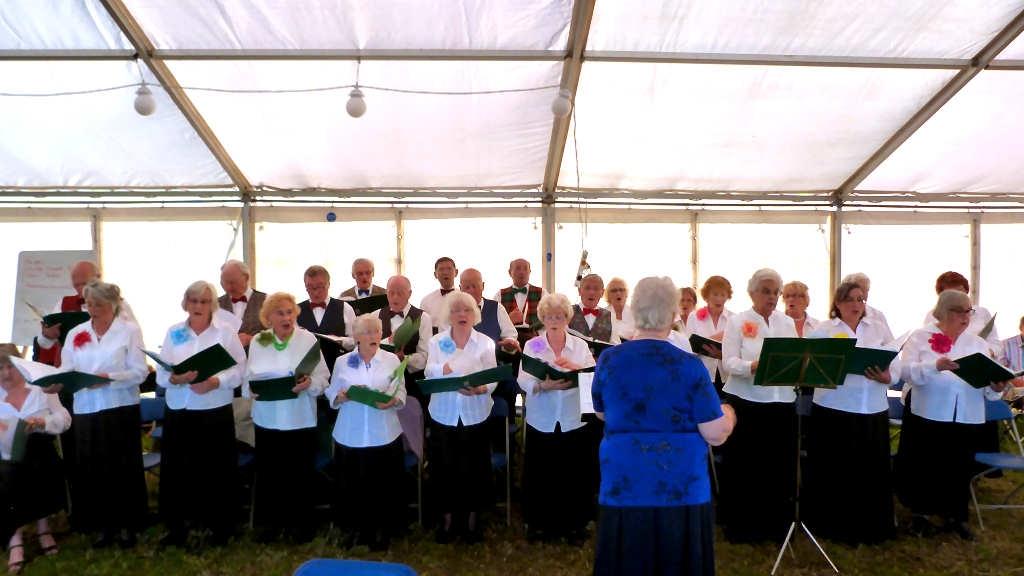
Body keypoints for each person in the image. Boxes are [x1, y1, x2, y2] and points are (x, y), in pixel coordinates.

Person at [591, 276, 735, 576]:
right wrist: (729, 412)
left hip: (624, 484)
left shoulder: (609, 361)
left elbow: (602, 414)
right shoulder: (689, 365)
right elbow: (715, 433)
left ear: (636, 311)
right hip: (679, 487)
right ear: (672, 315)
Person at [896, 289, 1010, 539]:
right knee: (926, 466)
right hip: (929, 412)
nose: (967, 317)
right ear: (946, 312)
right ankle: (921, 516)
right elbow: (905, 372)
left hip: (966, 414)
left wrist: (995, 387)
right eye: (961, 312)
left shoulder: (977, 343)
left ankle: (956, 516)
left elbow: (986, 385)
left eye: (969, 312)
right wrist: (934, 366)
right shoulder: (921, 336)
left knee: (959, 466)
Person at [155, 281, 247, 548]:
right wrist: (176, 377)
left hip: (213, 409)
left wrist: (214, 382)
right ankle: (178, 526)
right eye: (193, 301)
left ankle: (220, 526)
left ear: (212, 306)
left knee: (215, 469)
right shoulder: (174, 333)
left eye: (204, 302)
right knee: (178, 470)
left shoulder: (225, 333)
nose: (198, 306)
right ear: (186, 303)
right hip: (180, 409)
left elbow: (240, 370)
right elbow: (161, 372)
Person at [57, 281, 148, 548]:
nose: (93, 310)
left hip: (119, 406)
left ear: (114, 306)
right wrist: (62, 380)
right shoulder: (76, 332)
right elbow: (67, 367)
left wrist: (109, 378)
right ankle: (103, 526)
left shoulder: (128, 331)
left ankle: (128, 525)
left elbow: (140, 372)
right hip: (86, 409)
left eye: (100, 305)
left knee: (122, 467)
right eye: (90, 304)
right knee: (93, 468)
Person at [804, 282, 896, 544]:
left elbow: (896, 360)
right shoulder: (824, 330)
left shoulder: (877, 328)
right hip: (835, 409)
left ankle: (872, 526)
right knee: (837, 471)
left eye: (860, 300)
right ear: (838, 304)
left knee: (869, 471)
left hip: (872, 407)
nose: (856, 305)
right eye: (850, 300)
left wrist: (888, 375)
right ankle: (833, 525)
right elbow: (808, 363)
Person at [718, 268, 798, 543]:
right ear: (752, 293)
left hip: (782, 402)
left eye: (776, 291)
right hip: (748, 403)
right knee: (746, 467)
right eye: (766, 291)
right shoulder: (738, 321)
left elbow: (795, 357)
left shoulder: (786, 323)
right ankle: (742, 525)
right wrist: (751, 366)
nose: (772, 297)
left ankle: (776, 524)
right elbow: (728, 362)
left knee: (777, 466)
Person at [242, 292, 330, 543]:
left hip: (299, 418)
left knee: (299, 474)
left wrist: (309, 383)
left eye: (290, 312)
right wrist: (254, 389)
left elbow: (323, 377)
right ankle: (270, 526)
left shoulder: (307, 339)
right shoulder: (260, 341)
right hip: (268, 418)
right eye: (280, 313)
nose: (286, 317)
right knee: (270, 474)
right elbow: (249, 378)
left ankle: (301, 526)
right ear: (268, 318)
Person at [518, 293, 595, 543]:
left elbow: (592, 377)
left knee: (572, 474)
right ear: (542, 318)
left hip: (572, 418)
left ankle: (574, 525)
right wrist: (543, 386)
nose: (554, 320)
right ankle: (541, 525)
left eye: (559, 316)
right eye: (549, 316)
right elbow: (523, 377)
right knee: (542, 474)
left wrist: (575, 370)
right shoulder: (535, 345)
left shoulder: (579, 346)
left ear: (567, 319)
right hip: (543, 417)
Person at [325, 316, 406, 551]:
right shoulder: (343, 361)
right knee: (351, 484)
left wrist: (393, 401)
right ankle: (352, 530)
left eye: (378, 332)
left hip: (384, 431)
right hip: (351, 432)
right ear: (357, 336)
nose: (374, 337)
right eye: (368, 332)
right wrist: (342, 396)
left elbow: (400, 388)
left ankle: (382, 531)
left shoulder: (391, 359)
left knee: (382, 485)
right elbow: (332, 392)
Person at [425, 291, 498, 544]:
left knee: (474, 468)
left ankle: (472, 521)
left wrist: (482, 388)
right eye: (456, 310)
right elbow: (428, 370)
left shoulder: (486, 343)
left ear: (474, 314)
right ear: (448, 315)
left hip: (475, 412)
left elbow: (493, 376)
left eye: (466, 310)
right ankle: (446, 520)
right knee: (445, 468)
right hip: (444, 413)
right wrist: (443, 369)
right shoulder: (437, 342)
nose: (461, 315)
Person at [0, 345, 70, 574]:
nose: (7, 373)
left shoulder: (41, 387)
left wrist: (43, 423)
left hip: (39, 448)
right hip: (4, 454)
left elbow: (64, 419)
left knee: (39, 461)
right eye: (1, 367)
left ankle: (43, 527)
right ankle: (15, 538)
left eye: (11, 366)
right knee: (8, 473)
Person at [376, 276, 433, 403]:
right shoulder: (375, 316)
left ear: (410, 294)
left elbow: (426, 356)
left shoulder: (423, 318)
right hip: (382, 382)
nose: (395, 297)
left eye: (400, 293)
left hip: (412, 383)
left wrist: (406, 359)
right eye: (391, 293)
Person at [296, 265, 356, 372]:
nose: (315, 292)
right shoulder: (296, 311)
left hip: (338, 368)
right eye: (310, 287)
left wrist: (340, 340)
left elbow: (356, 341)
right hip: (308, 372)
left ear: (329, 284)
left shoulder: (345, 308)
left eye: (320, 286)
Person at [924, 271, 1000, 354]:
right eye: (951, 294)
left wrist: (986, 353)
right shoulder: (932, 316)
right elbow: (927, 344)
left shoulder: (982, 313)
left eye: (960, 292)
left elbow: (995, 344)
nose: (957, 297)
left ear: (966, 291)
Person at [686, 276, 734, 393]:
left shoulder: (733, 319)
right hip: (702, 374)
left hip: (727, 376)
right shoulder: (694, 317)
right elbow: (688, 348)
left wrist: (723, 354)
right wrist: (714, 339)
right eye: (715, 294)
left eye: (723, 295)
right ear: (706, 296)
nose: (719, 299)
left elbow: (737, 351)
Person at [217, 259, 266, 349]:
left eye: (232, 282)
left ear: (246, 277)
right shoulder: (216, 305)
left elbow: (277, 336)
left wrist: (252, 339)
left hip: (258, 359)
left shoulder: (266, 301)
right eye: (224, 282)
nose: (228, 287)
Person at [494, 258, 547, 342]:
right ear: (509, 272)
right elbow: (493, 324)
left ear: (530, 272)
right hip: (510, 342)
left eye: (525, 268)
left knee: (539, 353)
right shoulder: (499, 295)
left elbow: (549, 320)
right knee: (505, 352)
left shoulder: (542, 293)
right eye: (518, 268)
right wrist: (509, 319)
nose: (522, 272)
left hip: (536, 340)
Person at [841, 272, 894, 343]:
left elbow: (891, 347)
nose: (864, 294)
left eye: (867, 290)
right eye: (860, 289)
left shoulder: (878, 316)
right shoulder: (837, 315)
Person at [569, 274, 620, 347]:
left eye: (596, 289)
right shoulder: (568, 312)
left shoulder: (611, 316)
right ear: (579, 291)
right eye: (587, 288)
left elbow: (616, 347)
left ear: (602, 293)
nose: (591, 292)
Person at [419, 257, 459, 323]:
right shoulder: (426, 301)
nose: (445, 272)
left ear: (456, 272)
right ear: (435, 274)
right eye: (441, 269)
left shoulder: (465, 299)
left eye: (449, 269)